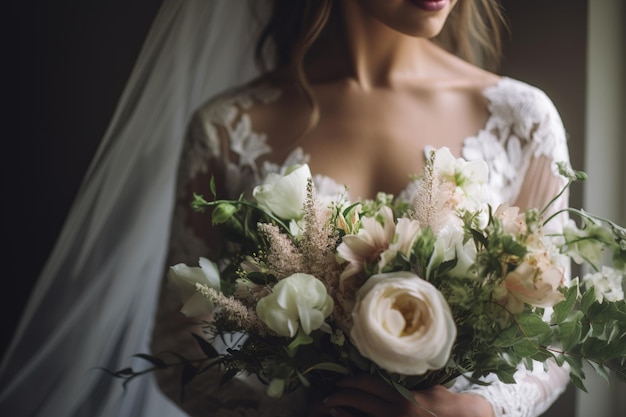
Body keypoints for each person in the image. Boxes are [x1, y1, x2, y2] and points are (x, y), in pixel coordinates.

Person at [150, 1, 571, 417]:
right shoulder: (229, 129)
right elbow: (178, 341)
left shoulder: (521, 120)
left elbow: (554, 337)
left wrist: (480, 411)